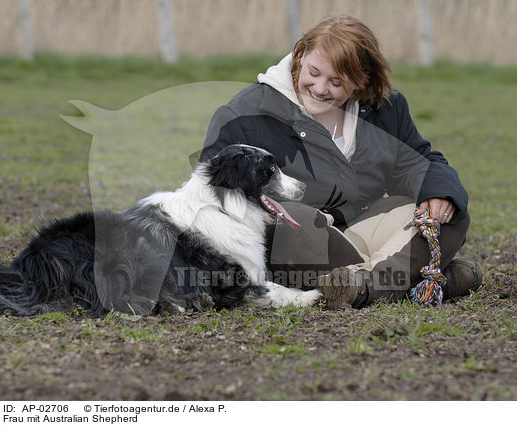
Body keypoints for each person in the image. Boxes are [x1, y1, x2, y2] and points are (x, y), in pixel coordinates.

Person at [200, 15, 481, 309]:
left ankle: (364, 287)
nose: (320, 88)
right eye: (314, 72)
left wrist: (438, 193)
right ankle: (426, 280)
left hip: (364, 229)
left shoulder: (385, 107)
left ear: (361, 82)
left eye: (336, 82)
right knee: (294, 222)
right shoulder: (243, 114)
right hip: (301, 240)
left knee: (448, 212)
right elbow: (212, 193)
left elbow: (417, 163)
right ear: (300, 54)